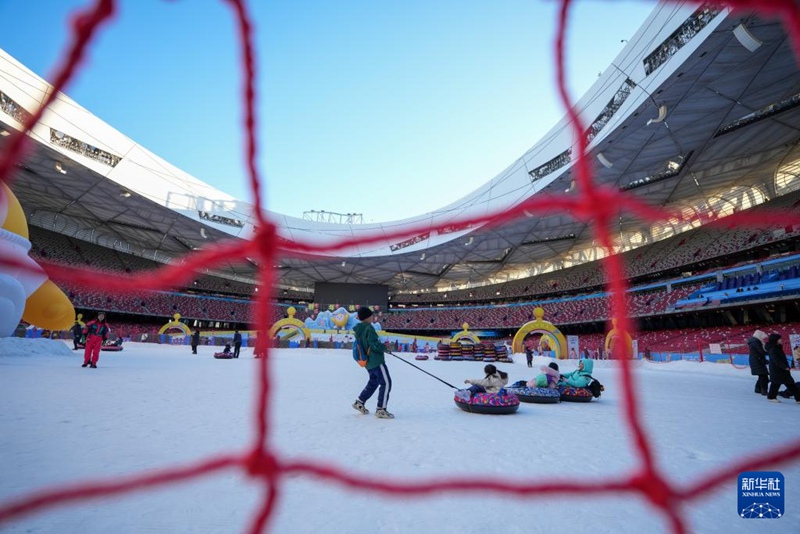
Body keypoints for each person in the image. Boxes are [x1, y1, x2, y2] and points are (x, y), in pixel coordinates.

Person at [352, 307, 394, 419]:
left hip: (368, 362)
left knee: (374, 382)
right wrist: (385, 347)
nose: (372, 317)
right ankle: (381, 409)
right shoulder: (369, 328)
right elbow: (374, 344)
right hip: (376, 360)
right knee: (386, 382)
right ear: (367, 317)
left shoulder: (359, 330)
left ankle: (360, 402)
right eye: (371, 315)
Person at [765, 333, 800, 403]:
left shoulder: (777, 347)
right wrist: (784, 366)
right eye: (779, 339)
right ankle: (771, 397)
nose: (781, 340)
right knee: (777, 384)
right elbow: (776, 359)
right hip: (778, 370)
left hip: (781, 370)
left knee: (789, 384)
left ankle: (798, 398)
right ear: (776, 340)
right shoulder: (773, 348)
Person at [747, 330, 769, 396]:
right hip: (758, 361)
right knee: (764, 376)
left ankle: (758, 388)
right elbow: (761, 351)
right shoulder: (755, 342)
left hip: (757, 360)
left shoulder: (754, 341)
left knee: (762, 375)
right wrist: (770, 351)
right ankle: (763, 390)